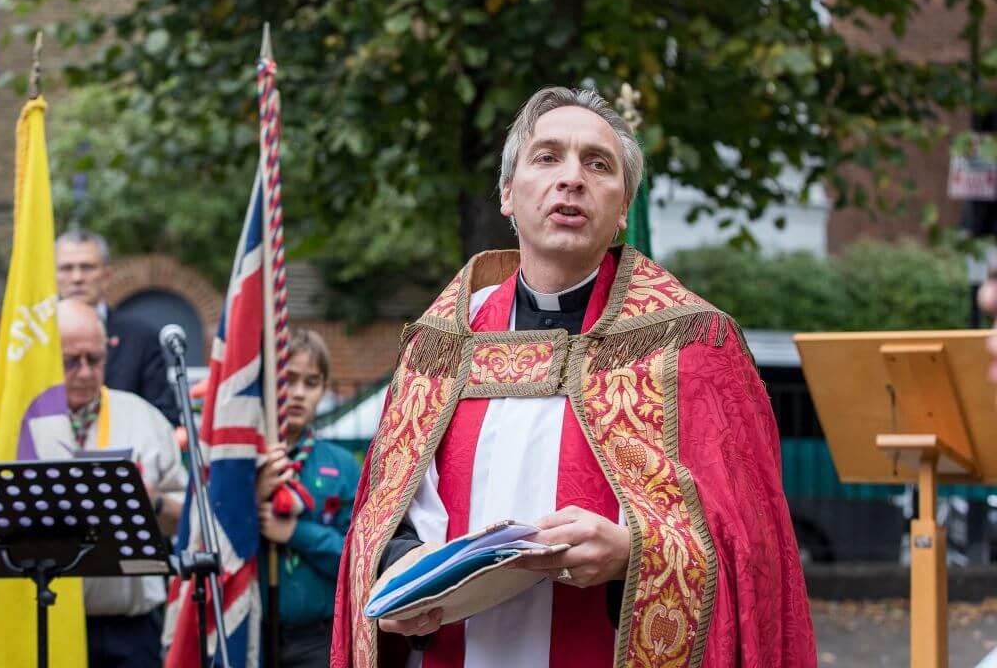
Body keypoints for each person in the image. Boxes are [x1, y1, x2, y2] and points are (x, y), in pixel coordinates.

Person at [331, 87, 817, 667]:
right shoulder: (440, 347)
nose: (572, 179)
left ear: (622, 209)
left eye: (597, 164)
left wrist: (633, 555)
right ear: (508, 195)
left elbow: (755, 556)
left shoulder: (690, 347)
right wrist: (401, 567)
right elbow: (382, 520)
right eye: (547, 157)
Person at [0, 298, 185, 667]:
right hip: (36, 619)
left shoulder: (144, 417)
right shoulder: (1, 423)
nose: (86, 372)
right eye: (70, 361)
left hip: (126, 627)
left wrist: (150, 502)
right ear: (43, 358)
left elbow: (188, 521)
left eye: (96, 358)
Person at [0, 230, 176, 424]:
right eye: (66, 268)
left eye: (87, 267)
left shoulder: (139, 337)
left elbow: (164, 418)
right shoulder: (26, 336)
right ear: (52, 275)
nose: (77, 278)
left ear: (106, 275)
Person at [255, 329, 360, 668]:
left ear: (324, 389)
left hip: (318, 637)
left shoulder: (342, 466)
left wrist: (296, 533)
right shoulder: (243, 463)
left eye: (311, 383)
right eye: (289, 379)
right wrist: (253, 497)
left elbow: (355, 560)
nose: (298, 393)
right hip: (252, 633)